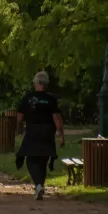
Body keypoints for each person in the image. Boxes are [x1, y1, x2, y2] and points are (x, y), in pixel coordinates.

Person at [15, 70, 65, 201]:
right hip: (48, 132)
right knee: (43, 160)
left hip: (32, 131)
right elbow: (57, 118)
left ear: (35, 84)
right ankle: (40, 186)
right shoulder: (51, 99)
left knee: (30, 160)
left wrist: (19, 130)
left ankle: (38, 185)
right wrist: (61, 136)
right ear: (46, 85)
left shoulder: (28, 98)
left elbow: (19, 118)